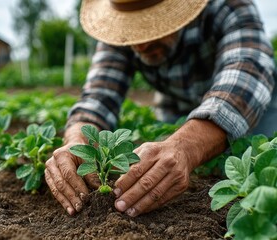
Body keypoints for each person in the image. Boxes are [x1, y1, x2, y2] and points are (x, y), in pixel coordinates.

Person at [45, 0, 276, 217]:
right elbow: (98, 97)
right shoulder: (118, 24)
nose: (141, 44)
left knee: (261, 159)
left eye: (151, 28)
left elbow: (249, 72)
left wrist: (185, 147)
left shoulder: (226, 6)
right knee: (162, 161)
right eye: (133, 31)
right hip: (177, 109)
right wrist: (77, 140)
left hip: (253, 104)